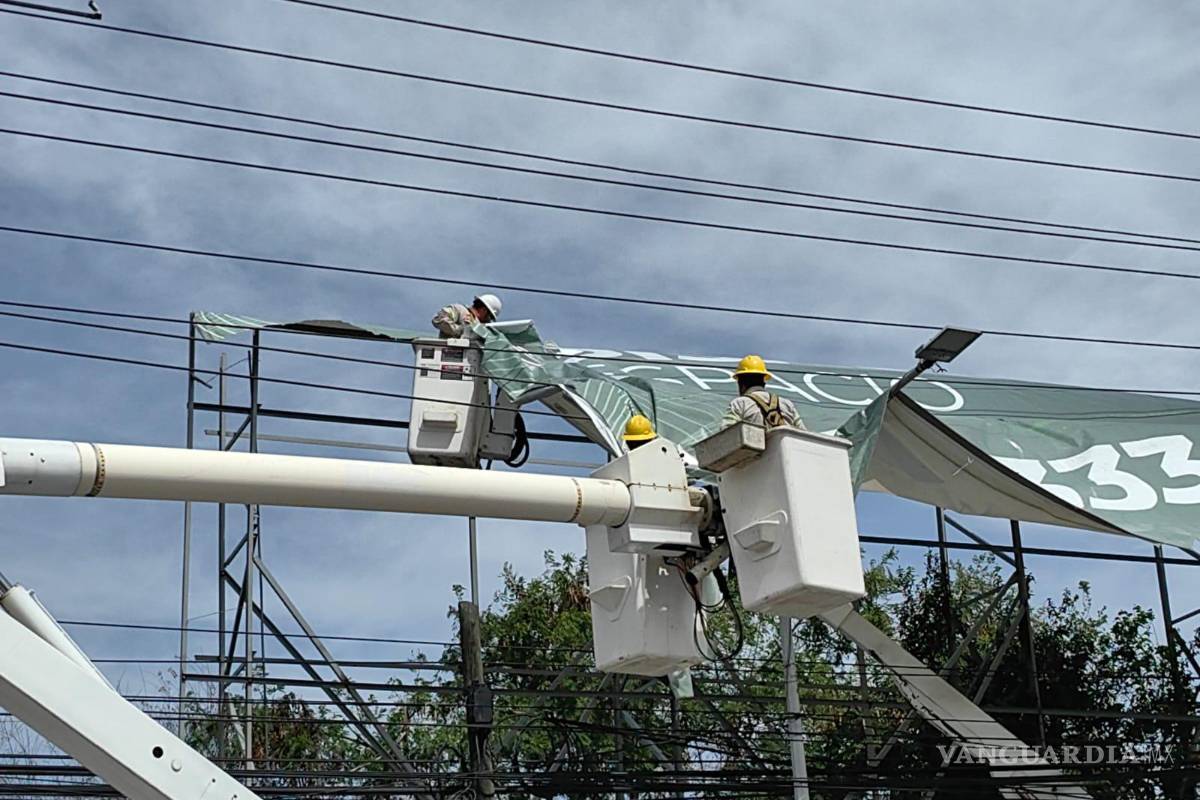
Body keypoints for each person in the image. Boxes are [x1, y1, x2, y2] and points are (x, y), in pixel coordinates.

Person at [722, 355, 804, 430]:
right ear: (764, 382)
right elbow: (803, 434)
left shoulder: (739, 404)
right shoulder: (787, 404)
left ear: (741, 384)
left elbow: (725, 433)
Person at [431, 293, 502, 338]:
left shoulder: (478, 325)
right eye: (490, 317)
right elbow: (438, 319)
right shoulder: (459, 310)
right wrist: (461, 329)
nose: (489, 320)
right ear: (483, 310)